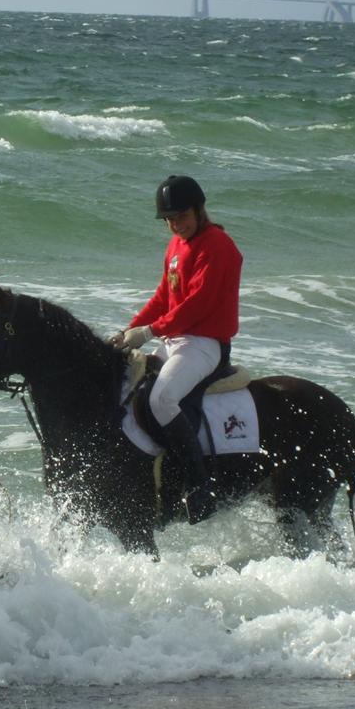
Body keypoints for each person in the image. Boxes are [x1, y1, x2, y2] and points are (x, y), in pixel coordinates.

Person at [110, 175, 243, 523]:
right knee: (133, 387)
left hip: (204, 344)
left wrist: (150, 331)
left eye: (181, 216)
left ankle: (199, 485)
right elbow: (163, 298)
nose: (175, 224)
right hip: (176, 340)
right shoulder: (175, 247)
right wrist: (129, 330)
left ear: (198, 211)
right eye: (168, 219)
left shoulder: (218, 245)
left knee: (161, 399)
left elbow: (197, 305)